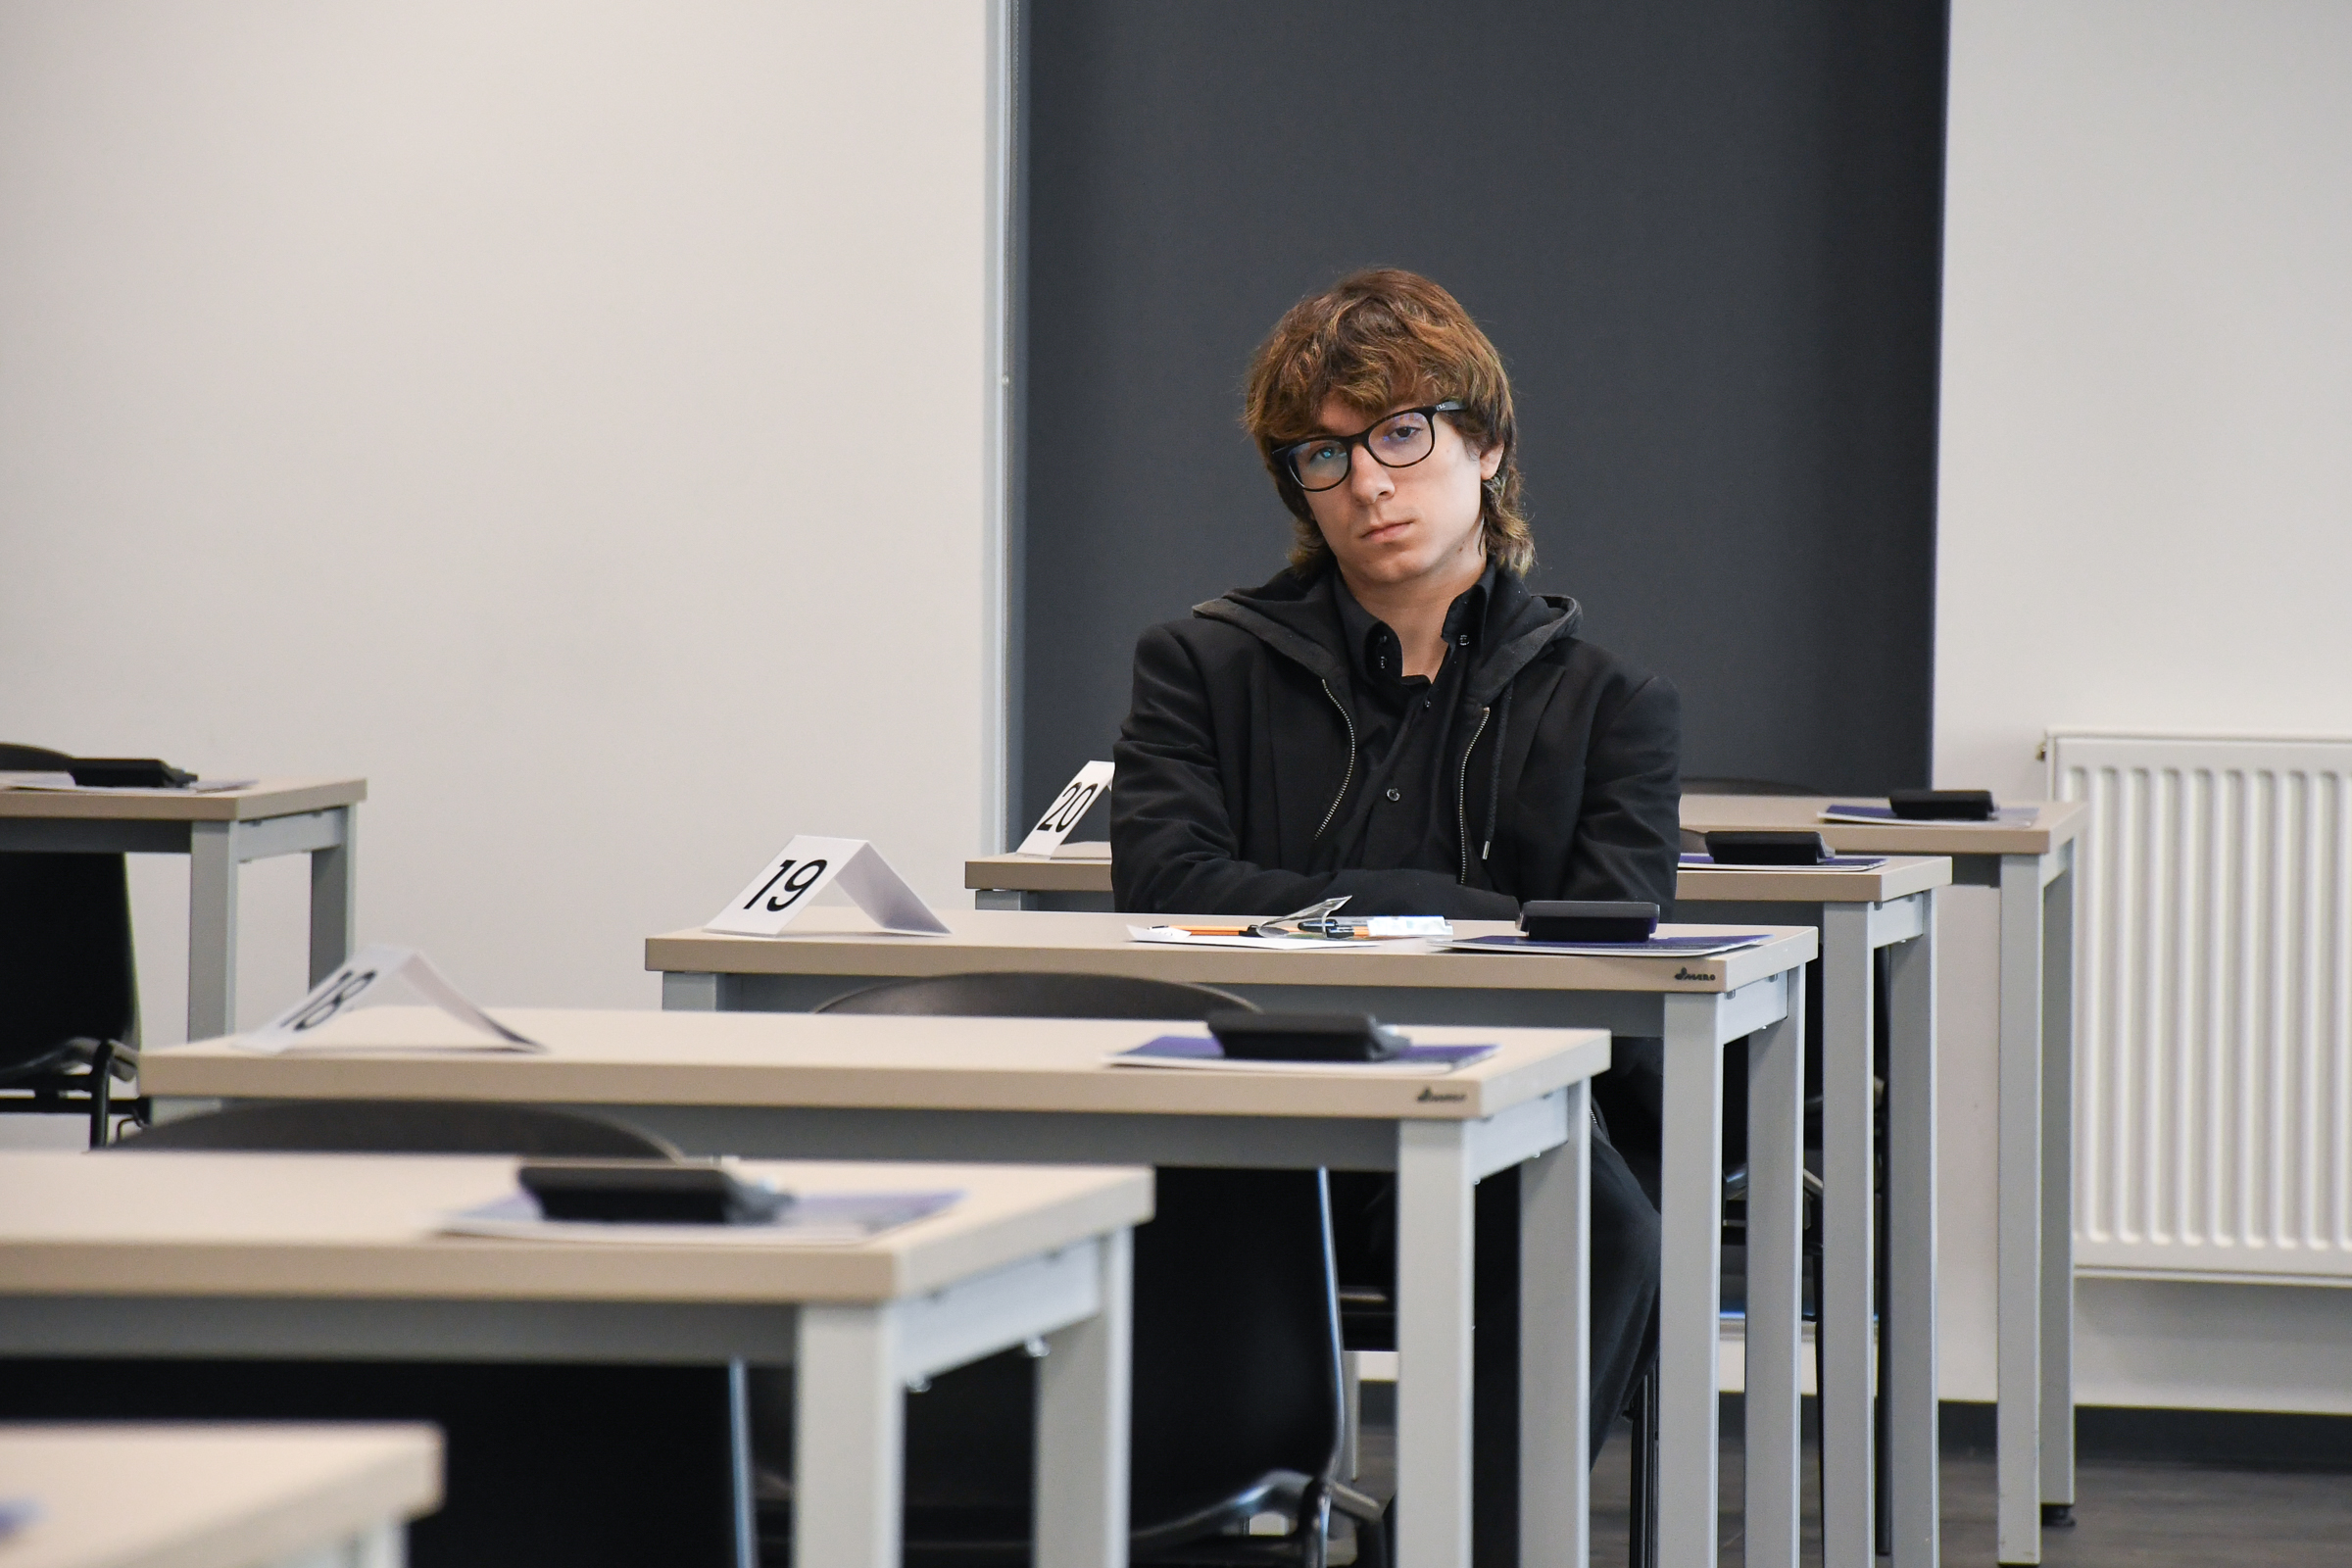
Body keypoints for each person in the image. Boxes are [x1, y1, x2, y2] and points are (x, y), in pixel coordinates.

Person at [1109, 268, 1679, 1468]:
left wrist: (1334, 915)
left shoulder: (1613, 707)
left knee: (1607, 1234)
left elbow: (1602, 956)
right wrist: (1442, 910)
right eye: (1324, 456)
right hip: (1252, 1118)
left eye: (1401, 434)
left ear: (1488, 447)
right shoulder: (1198, 666)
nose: (1367, 481)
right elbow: (1164, 886)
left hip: (1500, 1117)